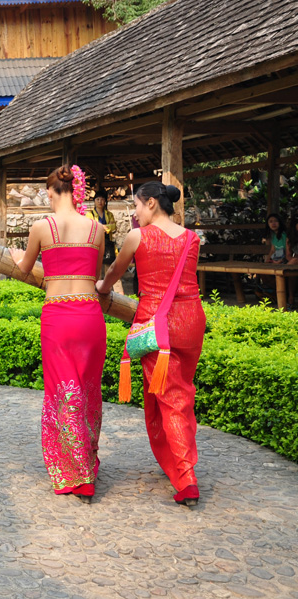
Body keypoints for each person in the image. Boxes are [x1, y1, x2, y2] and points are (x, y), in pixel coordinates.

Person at [96, 182, 205, 506]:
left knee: (171, 398)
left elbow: (116, 270)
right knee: (181, 390)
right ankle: (176, 462)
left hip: (156, 322)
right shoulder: (191, 238)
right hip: (191, 321)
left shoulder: (137, 237)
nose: (134, 211)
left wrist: (102, 287)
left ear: (153, 204)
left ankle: (186, 478)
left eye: (138, 205)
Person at [11, 165, 106, 499]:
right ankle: (87, 465)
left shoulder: (41, 226)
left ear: (50, 192)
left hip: (57, 316)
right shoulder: (97, 228)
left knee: (62, 393)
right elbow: (95, 275)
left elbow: (24, 269)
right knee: (88, 391)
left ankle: (75, 473)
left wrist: (16, 256)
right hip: (90, 314)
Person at [86, 189, 118, 267]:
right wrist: (105, 226)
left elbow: (114, 227)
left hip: (107, 243)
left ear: (105, 201)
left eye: (102, 199)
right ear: (94, 201)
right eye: (98, 199)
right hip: (95, 243)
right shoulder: (90, 215)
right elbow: (89, 227)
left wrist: (102, 227)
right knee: (96, 266)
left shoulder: (109, 214)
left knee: (108, 264)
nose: (100, 202)